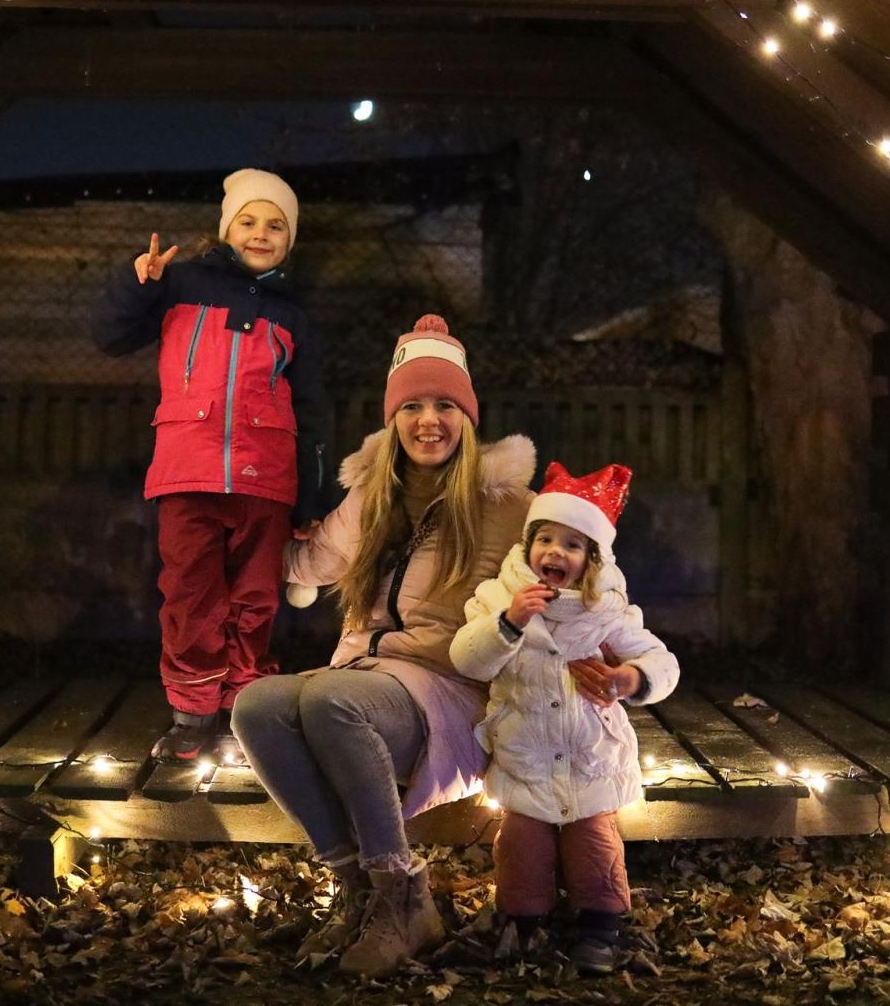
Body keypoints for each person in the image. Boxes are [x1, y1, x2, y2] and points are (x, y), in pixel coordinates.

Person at [232, 315, 534, 978]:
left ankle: (402, 895)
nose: (429, 421)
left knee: (331, 699)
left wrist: (600, 655)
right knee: (256, 705)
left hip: (450, 695)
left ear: (468, 418)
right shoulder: (372, 497)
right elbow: (304, 563)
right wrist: (262, 514)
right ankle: (354, 887)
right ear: (393, 419)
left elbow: (576, 568)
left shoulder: (508, 504)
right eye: (412, 406)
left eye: (446, 405)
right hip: (364, 677)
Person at [92, 169, 331, 763]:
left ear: (290, 240)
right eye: (248, 221)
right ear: (227, 229)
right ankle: (192, 714)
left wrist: (311, 498)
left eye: (275, 225)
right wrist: (138, 284)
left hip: (266, 480)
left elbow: (311, 409)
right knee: (191, 594)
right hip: (188, 472)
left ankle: (241, 713)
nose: (260, 233)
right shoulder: (180, 284)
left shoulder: (293, 315)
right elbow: (111, 336)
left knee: (255, 599)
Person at [449, 461, 680, 974]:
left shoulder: (606, 609)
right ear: (528, 544)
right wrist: (509, 622)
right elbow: (467, 658)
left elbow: (663, 662)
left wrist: (630, 678)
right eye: (545, 538)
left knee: (594, 844)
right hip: (524, 753)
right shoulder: (497, 597)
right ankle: (522, 923)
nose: (555, 551)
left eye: (572, 545)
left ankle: (600, 928)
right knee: (521, 847)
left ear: (592, 558)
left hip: (590, 757)